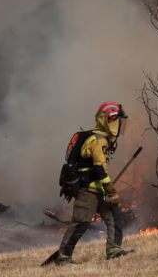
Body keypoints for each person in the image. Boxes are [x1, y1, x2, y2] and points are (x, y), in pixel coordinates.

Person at [56, 102, 134, 265]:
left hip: (99, 189)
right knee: (81, 222)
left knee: (114, 215)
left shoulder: (101, 138)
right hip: (88, 190)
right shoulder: (99, 140)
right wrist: (112, 192)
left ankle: (114, 251)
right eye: (119, 121)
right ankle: (63, 258)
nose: (121, 125)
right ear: (110, 120)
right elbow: (99, 170)